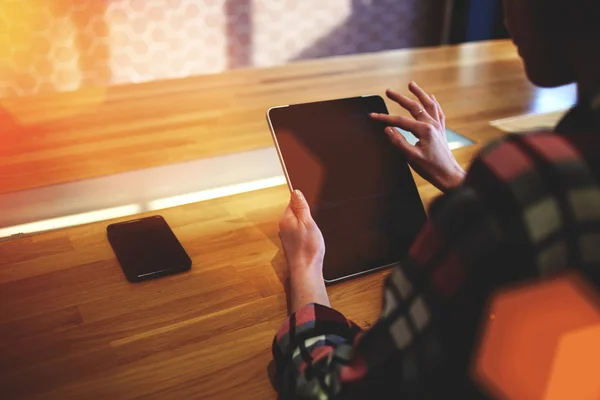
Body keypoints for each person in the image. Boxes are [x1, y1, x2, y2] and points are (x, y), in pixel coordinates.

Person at [272, 0, 600, 398]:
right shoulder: (555, 179)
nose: (503, 14)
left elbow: (332, 390)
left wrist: (305, 268)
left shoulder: (531, 178)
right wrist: (462, 181)